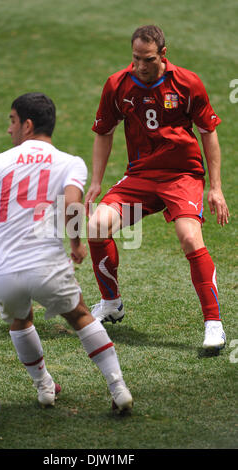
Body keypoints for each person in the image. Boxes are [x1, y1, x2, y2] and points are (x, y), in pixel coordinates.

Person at [0, 92, 133, 412]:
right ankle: (118, 387)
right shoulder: (70, 162)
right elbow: (73, 204)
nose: (10, 129)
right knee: (80, 315)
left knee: (20, 320)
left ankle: (44, 387)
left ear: (27, 125)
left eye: (12, 121)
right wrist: (75, 244)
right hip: (45, 264)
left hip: (1, 269)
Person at [84, 25, 229, 350]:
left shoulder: (187, 83)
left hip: (183, 175)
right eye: (135, 58)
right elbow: (104, 131)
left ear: (163, 55)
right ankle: (111, 303)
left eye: (147, 59)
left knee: (190, 237)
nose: (140, 66)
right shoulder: (118, 84)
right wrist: (96, 180)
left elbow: (208, 131)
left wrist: (215, 187)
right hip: (141, 176)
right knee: (95, 226)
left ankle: (214, 325)